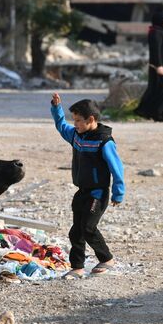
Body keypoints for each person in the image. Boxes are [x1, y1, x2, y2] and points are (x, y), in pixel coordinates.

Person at [50, 93, 125, 279]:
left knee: (88, 228)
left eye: (78, 120)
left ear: (91, 119)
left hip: (98, 193)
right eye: (73, 120)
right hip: (82, 192)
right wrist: (57, 109)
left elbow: (117, 169)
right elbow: (61, 126)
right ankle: (77, 267)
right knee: (76, 231)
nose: (74, 124)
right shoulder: (76, 135)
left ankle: (107, 259)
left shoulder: (104, 141)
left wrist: (118, 193)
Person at [134, 12, 163, 122]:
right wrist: (159, 65)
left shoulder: (161, 32)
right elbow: (155, 50)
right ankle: (152, 113)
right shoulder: (155, 32)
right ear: (161, 20)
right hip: (160, 67)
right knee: (160, 89)